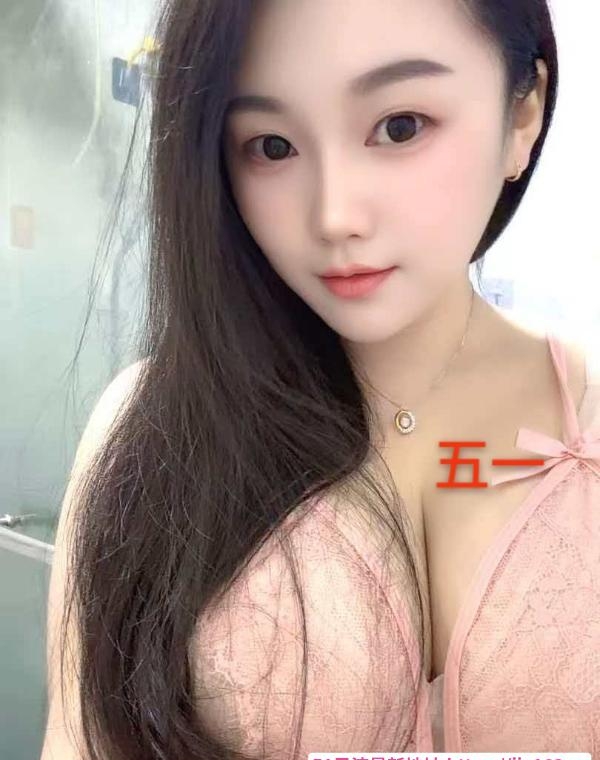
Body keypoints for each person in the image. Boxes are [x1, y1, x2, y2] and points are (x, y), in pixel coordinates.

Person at [40, 1, 600, 758]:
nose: (334, 216)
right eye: (271, 146)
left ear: (522, 113)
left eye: (400, 126)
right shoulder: (154, 430)